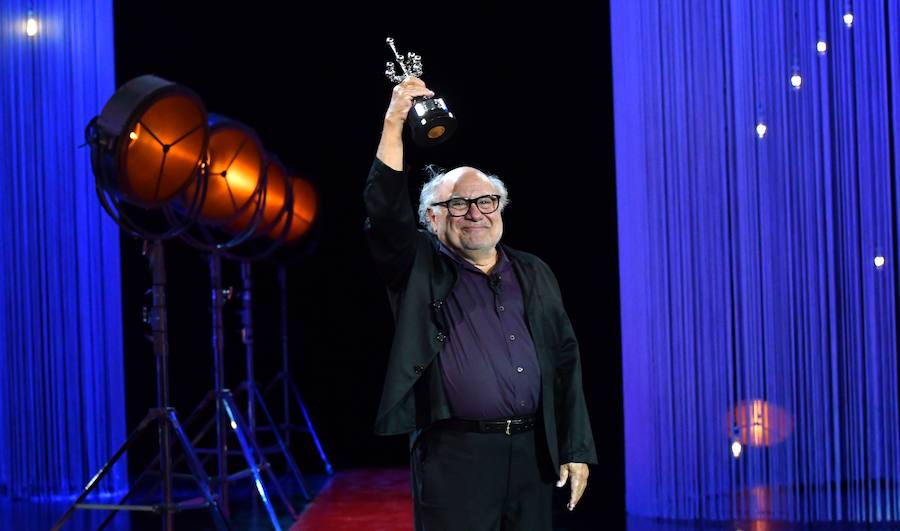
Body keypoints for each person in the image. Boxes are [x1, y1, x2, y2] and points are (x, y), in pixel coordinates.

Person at [364, 76, 597, 531]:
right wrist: (395, 121)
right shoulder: (418, 268)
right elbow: (385, 211)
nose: (477, 214)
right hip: (456, 459)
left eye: (488, 201)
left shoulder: (534, 271)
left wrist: (577, 450)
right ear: (432, 218)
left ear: (502, 208)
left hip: (534, 454)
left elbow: (566, 363)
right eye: (459, 204)